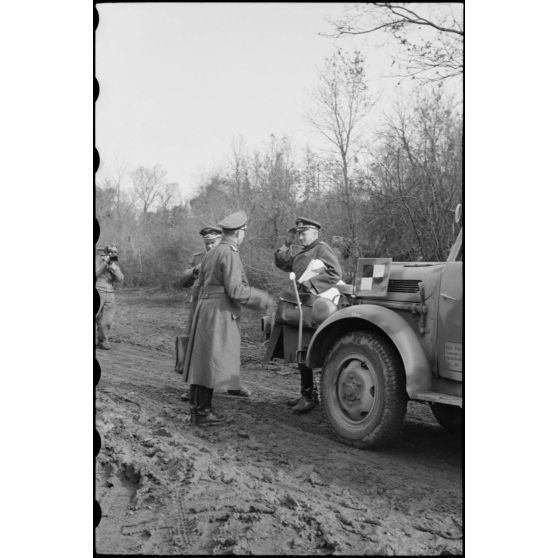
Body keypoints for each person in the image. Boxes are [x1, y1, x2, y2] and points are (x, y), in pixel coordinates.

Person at [184, 210, 272, 425]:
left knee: (201, 362)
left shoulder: (211, 253)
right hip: (219, 312)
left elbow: (201, 285)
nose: (244, 236)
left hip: (205, 310)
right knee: (210, 361)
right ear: (239, 233)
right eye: (244, 232)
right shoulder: (229, 253)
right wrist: (263, 298)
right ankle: (203, 414)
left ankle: (198, 411)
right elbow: (236, 290)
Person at [270, 217, 342, 414]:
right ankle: (307, 394)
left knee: (306, 349)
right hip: (300, 305)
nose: (300, 236)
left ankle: (310, 396)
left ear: (315, 233)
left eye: (304, 233)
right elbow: (283, 263)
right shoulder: (305, 251)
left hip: (313, 306)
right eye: (299, 233)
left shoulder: (321, 249)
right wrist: (287, 243)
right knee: (299, 349)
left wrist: (311, 285)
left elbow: (335, 273)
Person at [176, 225, 222, 400]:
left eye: (213, 242)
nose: (209, 246)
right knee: (196, 347)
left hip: (219, 308)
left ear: (220, 240)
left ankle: (231, 383)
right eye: (207, 243)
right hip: (198, 308)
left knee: (222, 345)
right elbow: (182, 281)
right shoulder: (198, 258)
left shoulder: (227, 255)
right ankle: (195, 387)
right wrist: (196, 269)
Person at [95, 244, 124, 350]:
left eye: (116, 253)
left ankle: (102, 340)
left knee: (107, 320)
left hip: (110, 293)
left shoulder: (114, 264)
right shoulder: (97, 261)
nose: (114, 255)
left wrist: (113, 267)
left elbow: (120, 279)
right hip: (97, 290)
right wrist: (104, 264)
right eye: (112, 252)